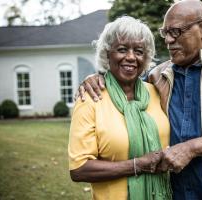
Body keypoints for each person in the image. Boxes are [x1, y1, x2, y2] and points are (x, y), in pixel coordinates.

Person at [78, 0, 202, 199]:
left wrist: (192, 148)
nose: (168, 40)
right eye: (165, 33)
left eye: (175, 31)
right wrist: (99, 77)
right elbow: (124, 80)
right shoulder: (155, 77)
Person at [68, 16, 172, 200]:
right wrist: (138, 165)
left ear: (145, 58)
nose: (131, 57)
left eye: (139, 51)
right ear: (108, 54)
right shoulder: (91, 97)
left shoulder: (157, 92)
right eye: (122, 49)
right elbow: (79, 169)